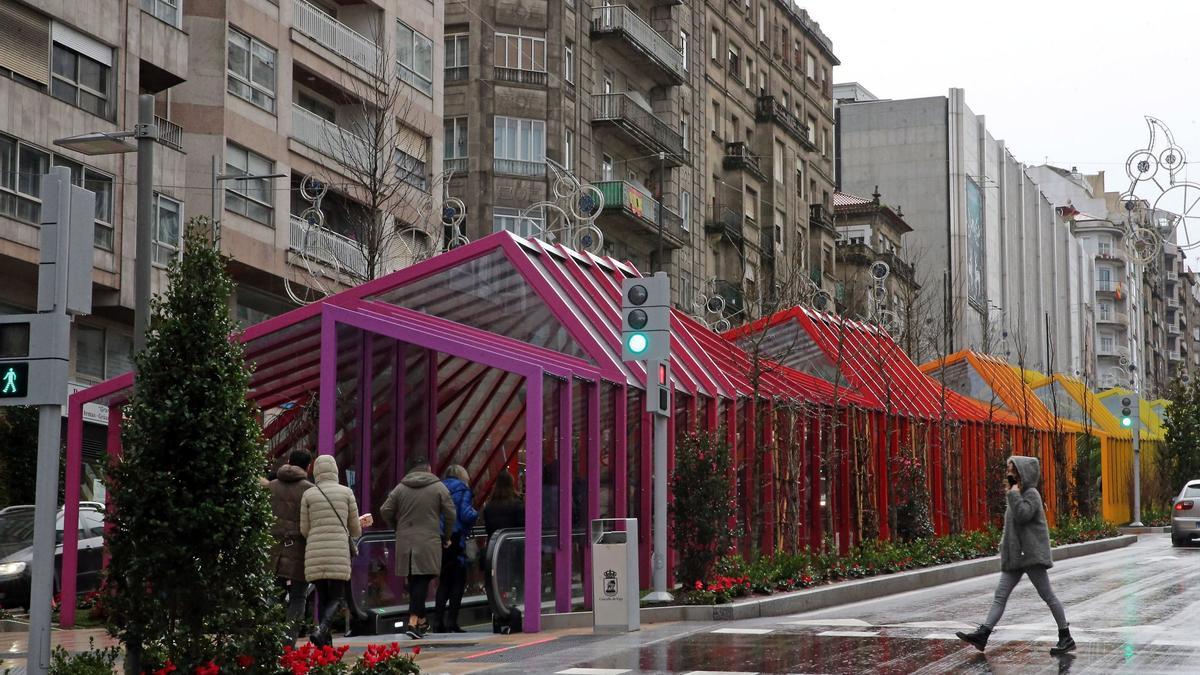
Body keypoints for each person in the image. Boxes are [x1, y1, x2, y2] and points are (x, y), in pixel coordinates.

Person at [956, 456, 1074, 655]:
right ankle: (983, 634)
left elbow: (1023, 515)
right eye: (1008, 469)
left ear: (1023, 473)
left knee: (1048, 596)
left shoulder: (1031, 494)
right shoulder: (1015, 493)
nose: (1008, 473)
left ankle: (1066, 636)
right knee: (1000, 595)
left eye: (1013, 470)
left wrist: (1013, 494)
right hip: (1016, 557)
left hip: (1031, 555)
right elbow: (1011, 527)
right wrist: (1005, 547)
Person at [381, 455, 456, 639]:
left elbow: (385, 510)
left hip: (405, 541)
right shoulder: (439, 487)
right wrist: (446, 536)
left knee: (416, 579)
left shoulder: (401, 488)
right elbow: (451, 514)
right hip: (429, 540)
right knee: (422, 578)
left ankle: (421, 620)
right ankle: (413, 621)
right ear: (429, 468)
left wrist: (397, 527)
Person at [300, 455, 362, 647]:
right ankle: (322, 629)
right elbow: (355, 529)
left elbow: (304, 529)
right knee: (337, 597)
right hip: (337, 550)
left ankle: (324, 644)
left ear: (316, 471)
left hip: (315, 550)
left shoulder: (309, 494)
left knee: (322, 596)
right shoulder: (346, 493)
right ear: (334, 470)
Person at [267, 450, 314, 645]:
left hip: (273, 548)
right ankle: (288, 643)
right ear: (308, 467)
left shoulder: (271, 486)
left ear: (288, 462)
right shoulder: (309, 490)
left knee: (273, 595)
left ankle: (267, 639)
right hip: (298, 549)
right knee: (298, 597)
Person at [433, 464, 479, 633]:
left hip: (440, 538)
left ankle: (438, 622)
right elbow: (466, 514)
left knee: (444, 581)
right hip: (456, 538)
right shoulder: (463, 490)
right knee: (458, 580)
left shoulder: (438, 488)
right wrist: (477, 513)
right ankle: (452, 621)